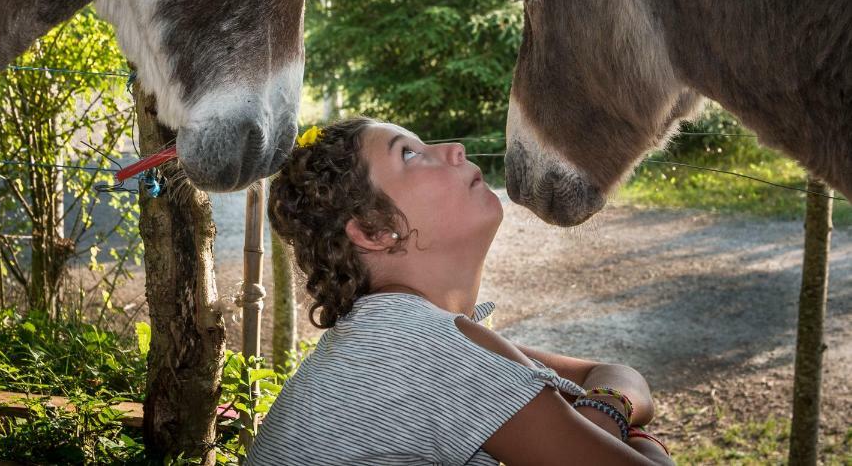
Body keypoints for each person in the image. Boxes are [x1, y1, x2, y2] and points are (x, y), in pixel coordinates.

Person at [247, 118, 675, 466]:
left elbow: (615, 375)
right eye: (410, 155)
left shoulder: (401, 333)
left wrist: (603, 413)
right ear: (374, 230)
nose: (455, 149)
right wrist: (626, 430)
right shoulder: (420, 345)